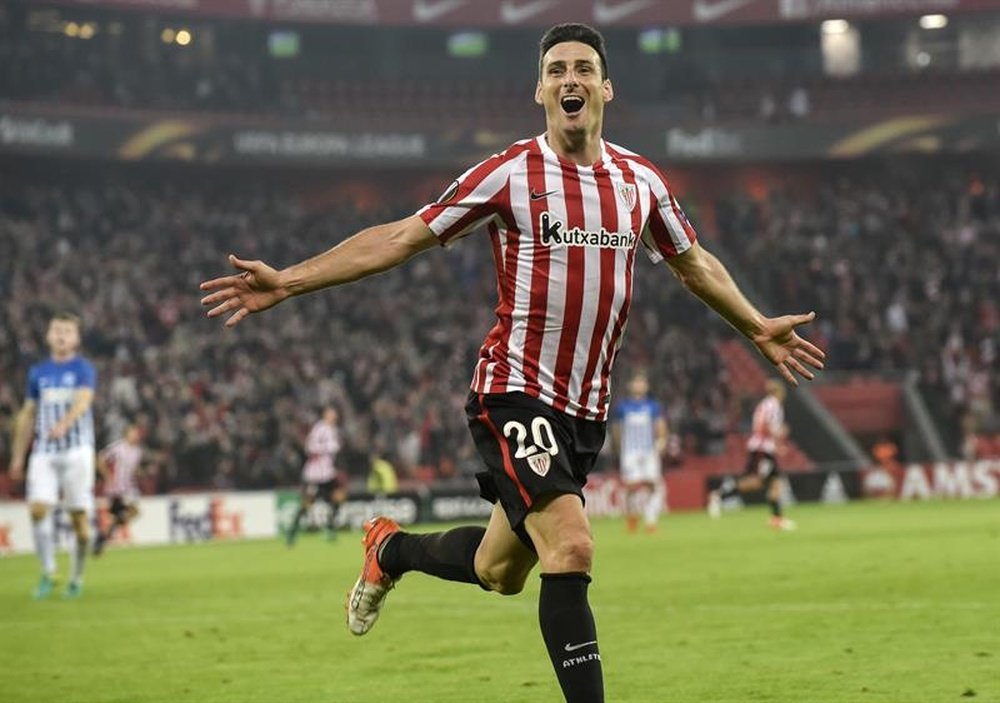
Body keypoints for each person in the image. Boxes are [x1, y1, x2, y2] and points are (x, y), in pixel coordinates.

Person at [199, 24, 824, 702]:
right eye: (556, 70)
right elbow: (404, 236)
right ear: (540, 90)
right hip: (514, 393)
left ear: (607, 88)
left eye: (584, 68)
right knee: (573, 547)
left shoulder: (640, 183)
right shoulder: (509, 173)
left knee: (501, 570)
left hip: (586, 412)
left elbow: (692, 263)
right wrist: (289, 280)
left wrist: (756, 324)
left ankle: (391, 550)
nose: (570, 80)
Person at [8, 313, 97, 599]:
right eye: (56, 330)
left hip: (77, 450)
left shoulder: (83, 369)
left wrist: (65, 423)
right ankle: (49, 572)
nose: (61, 335)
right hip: (44, 451)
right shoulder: (38, 373)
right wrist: (18, 456)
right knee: (37, 509)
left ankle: (77, 577)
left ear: (76, 338)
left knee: (80, 525)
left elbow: (84, 400)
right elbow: (28, 414)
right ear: (48, 335)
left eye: (67, 331)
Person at [708, 379, 796, 530]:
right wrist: (778, 441)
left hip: (762, 448)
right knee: (756, 482)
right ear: (779, 392)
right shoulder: (774, 405)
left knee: (773, 483)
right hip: (763, 449)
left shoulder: (764, 404)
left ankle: (776, 519)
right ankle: (718, 496)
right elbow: (766, 426)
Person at [611, 372, 668, 533]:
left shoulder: (653, 406)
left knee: (653, 485)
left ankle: (650, 520)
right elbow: (616, 429)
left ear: (646, 386)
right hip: (629, 452)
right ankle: (632, 516)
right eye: (636, 382)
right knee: (631, 486)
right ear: (630, 385)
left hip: (649, 451)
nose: (639, 385)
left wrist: (662, 441)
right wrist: (616, 448)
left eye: (642, 382)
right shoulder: (622, 407)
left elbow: (660, 425)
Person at [285, 407, 345, 546]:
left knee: (338, 497)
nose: (334, 416)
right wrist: (328, 447)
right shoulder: (320, 428)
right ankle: (292, 531)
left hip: (327, 473)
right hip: (315, 474)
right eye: (331, 414)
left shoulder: (333, 429)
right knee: (307, 503)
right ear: (326, 415)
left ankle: (330, 528)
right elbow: (309, 447)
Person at [93, 423, 144, 556]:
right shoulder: (118, 447)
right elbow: (99, 458)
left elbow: (133, 469)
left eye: (136, 433)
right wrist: (107, 476)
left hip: (130, 487)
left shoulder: (138, 451)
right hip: (116, 488)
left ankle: (101, 538)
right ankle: (102, 538)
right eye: (133, 432)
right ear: (126, 434)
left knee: (129, 513)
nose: (135, 435)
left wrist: (141, 473)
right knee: (129, 512)